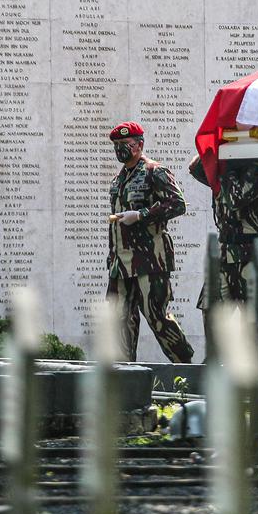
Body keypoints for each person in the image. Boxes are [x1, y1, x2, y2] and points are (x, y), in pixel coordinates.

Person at [106, 121, 195, 362]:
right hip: (120, 263)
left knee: (157, 317)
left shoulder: (155, 171)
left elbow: (178, 204)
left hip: (149, 260)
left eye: (125, 144)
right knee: (118, 320)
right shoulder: (118, 179)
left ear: (140, 145)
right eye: (116, 146)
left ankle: (185, 367)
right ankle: (123, 375)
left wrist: (142, 215)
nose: (120, 150)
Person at [188, 154, 258, 333]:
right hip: (225, 251)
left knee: (253, 321)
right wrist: (216, 147)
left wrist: (229, 163)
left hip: (251, 255)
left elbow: (236, 199)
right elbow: (195, 168)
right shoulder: (223, 170)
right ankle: (215, 357)